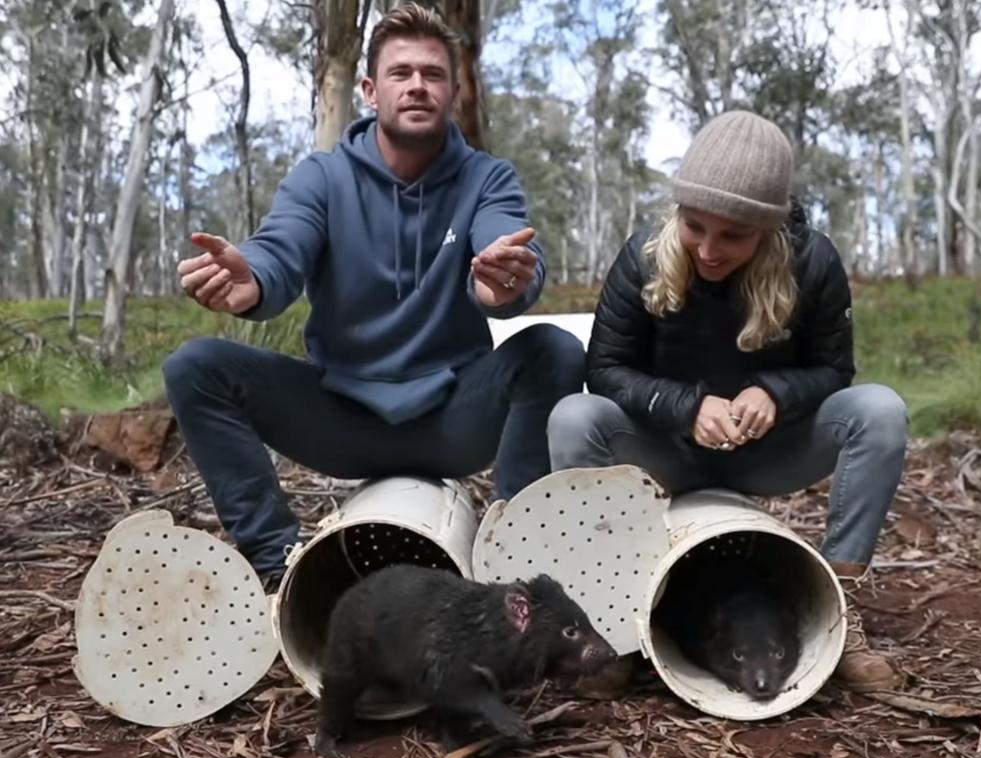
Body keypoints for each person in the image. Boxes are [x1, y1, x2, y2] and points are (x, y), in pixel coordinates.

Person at [162, 5, 584, 592]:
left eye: (433, 74)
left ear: (455, 91)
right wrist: (252, 280)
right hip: (342, 416)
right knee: (195, 368)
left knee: (554, 350)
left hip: (452, 416)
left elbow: (504, 248)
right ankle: (280, 569)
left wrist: (503, 282)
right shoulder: (322, 178)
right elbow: (280, 248)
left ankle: (513, 560)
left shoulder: (487, 178)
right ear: (369, 89)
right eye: (400, 72)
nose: (417, 85)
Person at [547, 110, 908, 692]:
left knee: (880, 412)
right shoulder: (643, 256)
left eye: (733, 235)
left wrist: (776, 392)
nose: (709, 250)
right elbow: (605, 369)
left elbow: (834, 370)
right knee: (574, 416)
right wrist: (685, 406)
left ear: (768, 228)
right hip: (665, 449)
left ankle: (839, 613)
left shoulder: (812, 262)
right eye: (694, 226)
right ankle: (608, 622)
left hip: (768, 452)